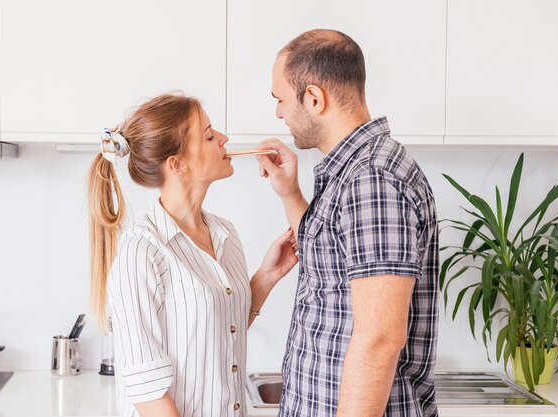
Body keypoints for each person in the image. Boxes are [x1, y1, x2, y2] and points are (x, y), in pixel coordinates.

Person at [255, 29, 439, 417]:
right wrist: (290, 194)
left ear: (314, 98)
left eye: (281, 100)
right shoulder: (354, 173)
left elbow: (380, 338)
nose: (279, 113)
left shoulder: (373, 178)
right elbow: (334, 264)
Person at [87, 93, 298, 417]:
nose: (224, 139)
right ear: (178, 164)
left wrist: (266, 277)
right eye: (210, 136)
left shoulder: (225, 235)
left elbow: (220, 329)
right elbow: (149, 397)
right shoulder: (142, 252)